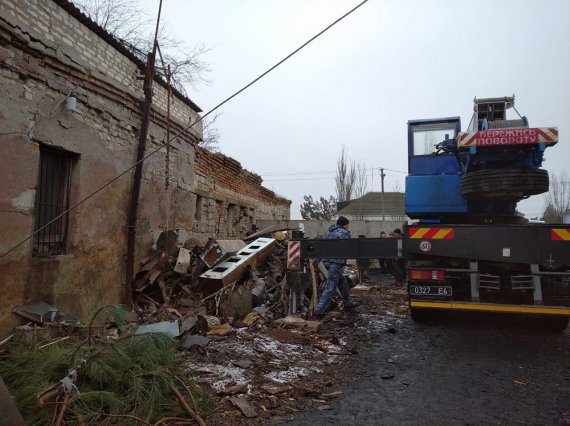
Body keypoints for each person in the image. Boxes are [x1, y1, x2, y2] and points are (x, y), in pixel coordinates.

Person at [315, 216, 357, 319]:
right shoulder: (344, 233)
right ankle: (319, 311)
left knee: (342, 282)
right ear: (344, 224)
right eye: (347, 224)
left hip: (327, 262)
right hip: (336, 262)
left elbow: (322, 245)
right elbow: (348, 247)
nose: (348, 226)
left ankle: (348, 304)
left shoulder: (328, 232)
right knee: (331, 286)